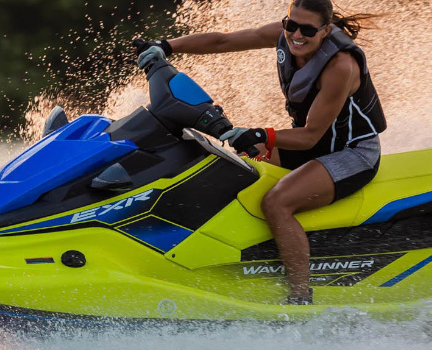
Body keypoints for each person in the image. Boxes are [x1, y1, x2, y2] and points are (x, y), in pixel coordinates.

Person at [134, 0, 386, 304]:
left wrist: (260, 134)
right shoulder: (283, 34)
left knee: (276, 202)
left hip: (350, 152)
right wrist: (166, 46)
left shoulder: (341, 66)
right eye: (291, 24)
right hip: (312, 143)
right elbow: (223, 41)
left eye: (307, 29)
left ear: (326, 30)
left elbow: (309, 137)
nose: (296, 35)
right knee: (235, 170)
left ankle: (300, 297)